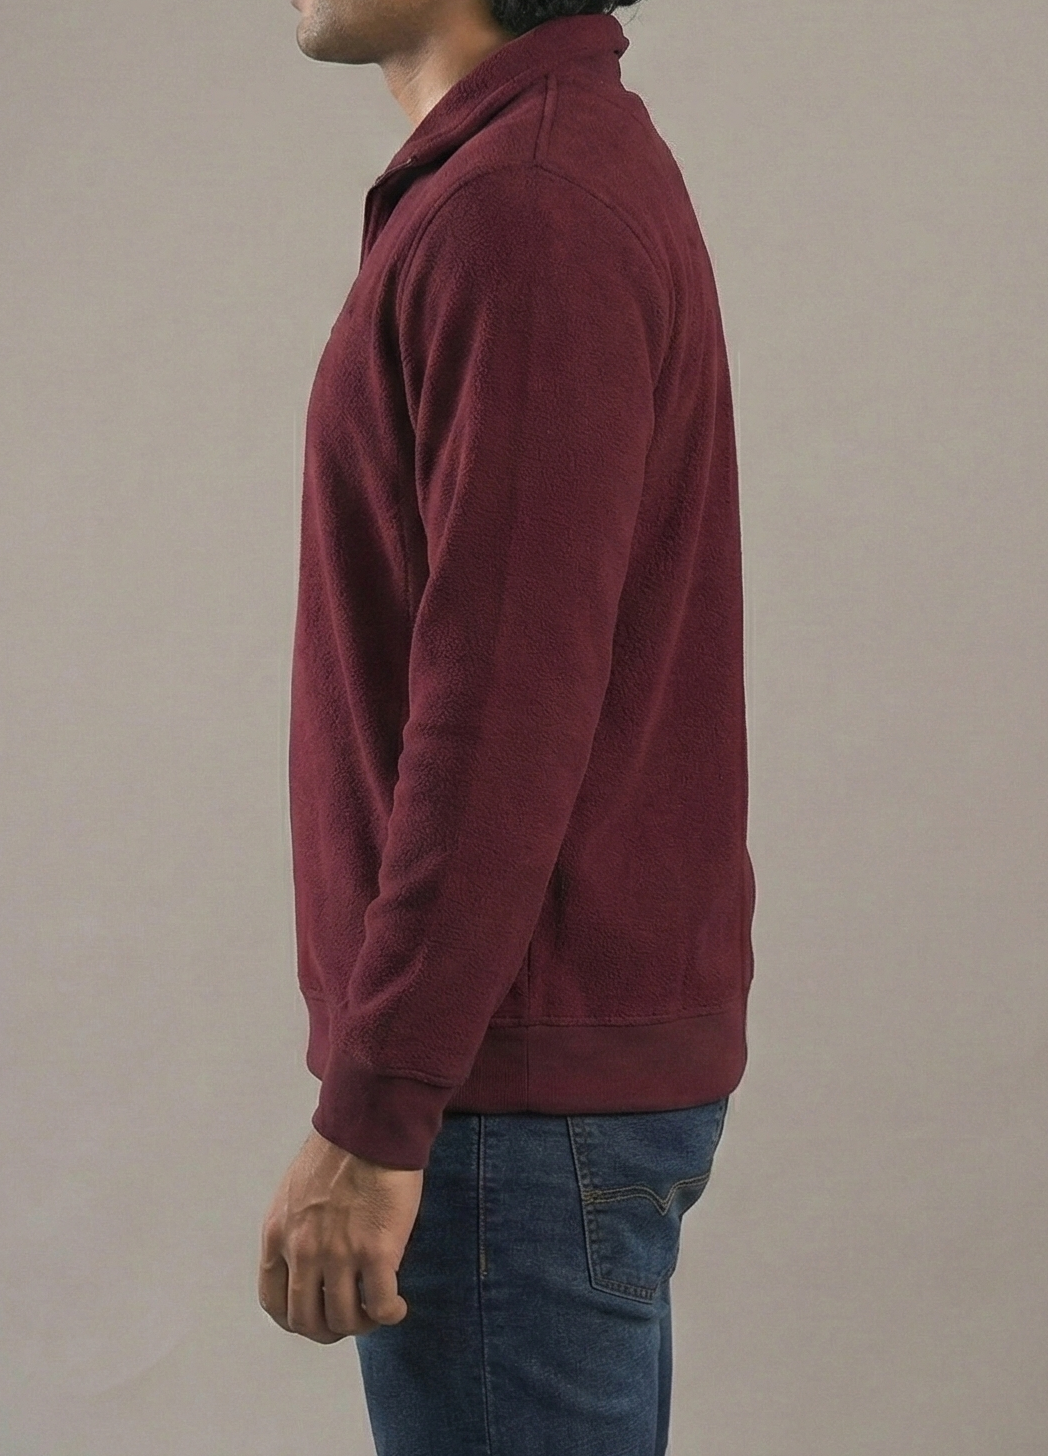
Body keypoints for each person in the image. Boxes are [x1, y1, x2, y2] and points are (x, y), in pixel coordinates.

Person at [258, 2, 757, 1451]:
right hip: (517, 1083)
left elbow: (504, 715)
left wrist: (379, 1109)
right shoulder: (526, 176)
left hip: (506, 1098)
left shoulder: (524, 207)